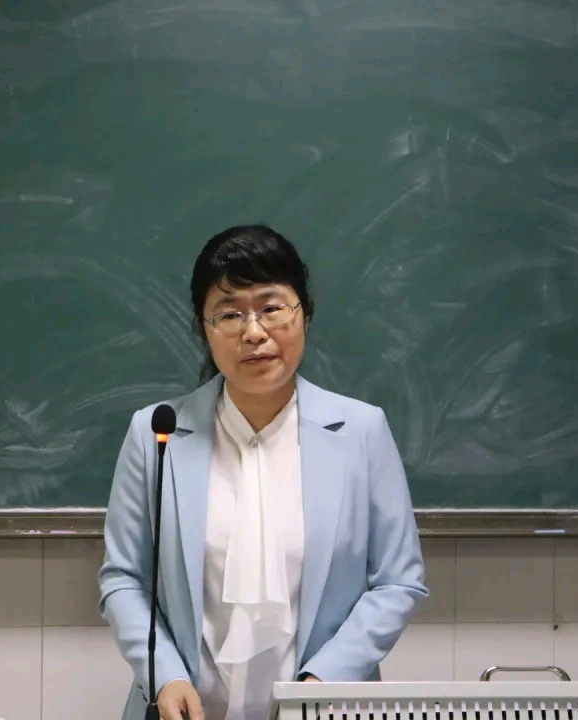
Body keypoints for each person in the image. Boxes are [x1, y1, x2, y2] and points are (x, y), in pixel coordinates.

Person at [99, 224, 428, 720]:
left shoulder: (361, 431)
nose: (254, 332)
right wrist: (164, 675)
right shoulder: (157, 433)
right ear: (205, 329)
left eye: (272, 307)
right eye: (230, 313)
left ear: (304, 313)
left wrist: (325, 682)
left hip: (323, 709)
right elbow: (124, 579)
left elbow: (398, 581)